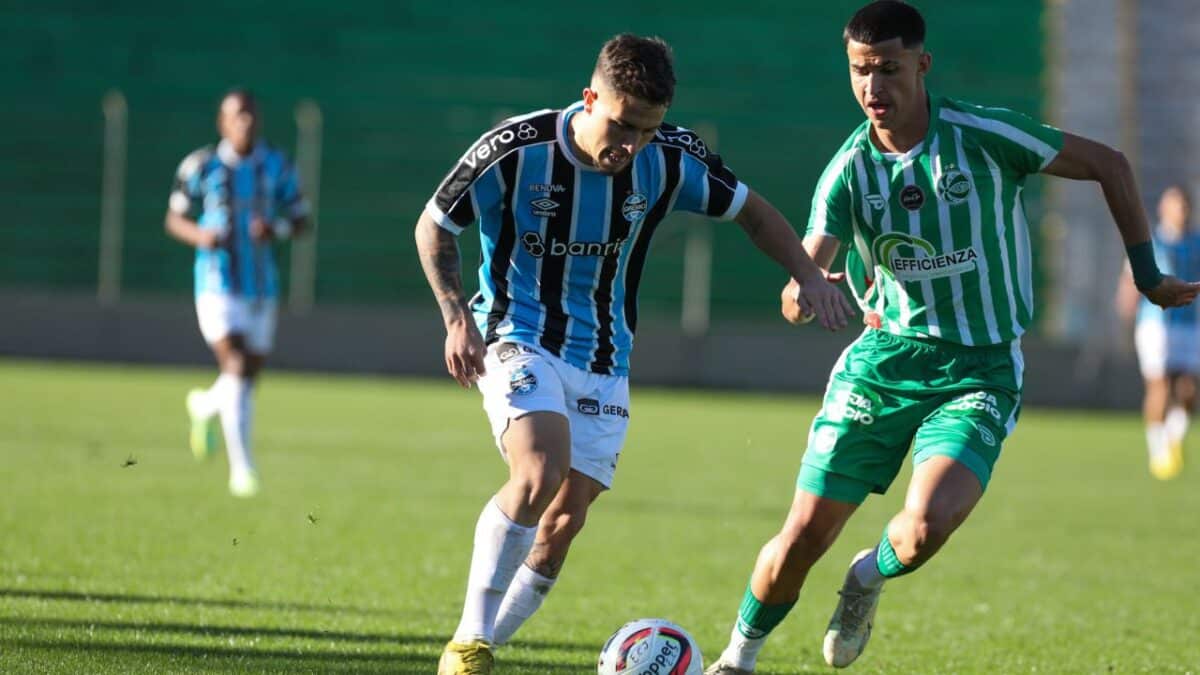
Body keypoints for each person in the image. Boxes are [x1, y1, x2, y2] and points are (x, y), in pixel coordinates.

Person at [703, 3, 1200, 673]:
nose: (872, 89)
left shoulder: (984, 135)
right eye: (859, 71)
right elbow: (808, 266)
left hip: (980, 371)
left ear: (921, 65)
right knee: (799, 539)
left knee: (921, 530)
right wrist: (804, 292)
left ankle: (866, 579)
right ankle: (736, 658)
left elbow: (1110, 163)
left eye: (887, 69)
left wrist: (1146, 274)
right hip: (881, 368)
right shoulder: (849, 169)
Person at [415, 34, 854, 675]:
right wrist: (457, 318)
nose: (630, 146)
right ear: (590, 97)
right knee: (539, 471)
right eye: (621, 125)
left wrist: (808, 275)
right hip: (518, 334)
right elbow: (434, 225)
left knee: (565, 521)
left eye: (647, 131)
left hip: (605, 354)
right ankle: (467, 643)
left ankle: (489, 649)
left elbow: (754, 214)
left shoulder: (671, 157)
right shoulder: (516, 148)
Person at [165, 89, 309, 498]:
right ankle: (242, 471)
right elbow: (174, 218)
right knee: (237, 362)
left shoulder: (278, 165)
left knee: (245, 376)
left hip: (261, 284)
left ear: (257, 120)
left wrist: (275, 229)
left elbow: (301, 220)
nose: (243, 121)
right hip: (216, 282)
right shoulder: (201, 165)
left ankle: (204, 406)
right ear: (222, 123)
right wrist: (200, 235)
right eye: (235, 115)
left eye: (249, 114)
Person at [1117, 185, 1200, 480]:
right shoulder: (1151, 242)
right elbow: (1130, 280)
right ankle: (1158, 451)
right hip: (1154, 323)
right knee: (1160, 386)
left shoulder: (1197, 242)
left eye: (1184, 204)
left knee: (1189, 390)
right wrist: (1127, 310)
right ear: (1163, 209)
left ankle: (1174, 436)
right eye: (1175, 204)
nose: (1181, 210)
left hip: (1190, 325)